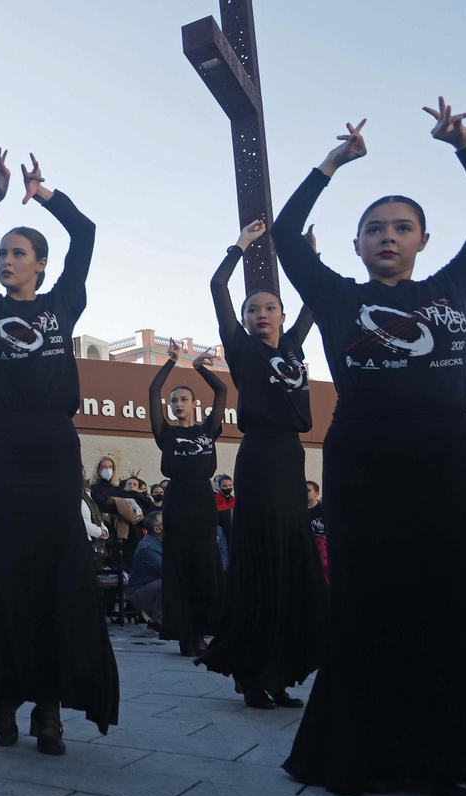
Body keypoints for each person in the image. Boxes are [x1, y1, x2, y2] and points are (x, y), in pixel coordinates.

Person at [276, 101, 466, 796]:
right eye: (374, 229)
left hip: (443, 461)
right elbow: (283, 234)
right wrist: (331, 164)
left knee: (448, 597)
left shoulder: (454, 286)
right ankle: (361, 752)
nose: (387, 237)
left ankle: (442, 755)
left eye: (401, 227)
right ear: (358, 244)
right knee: (365, 598)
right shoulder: (336, 296)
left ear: (424, 239)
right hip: (363, 461)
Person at [0, 148, 119, 756]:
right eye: (3, 253)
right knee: (4, 577)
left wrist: (43, 195)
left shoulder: (61, 305)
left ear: (41, 265)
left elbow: (86, 233)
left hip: (50, 449)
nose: (5, 260)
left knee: (55, 576)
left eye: (18, 252)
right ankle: (5, 698)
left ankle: (49, 708)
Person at [196, 219, 328, 710]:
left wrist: (307, 258)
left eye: (269, 307)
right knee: (263, 561)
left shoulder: (293, 346)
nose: (260, 313)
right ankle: (253, 674)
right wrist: (241, 246)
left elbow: (315, 300)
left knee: (291, 563)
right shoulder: (242, 349)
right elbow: (216, 287)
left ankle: (280, 673)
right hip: (260, 456)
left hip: (292, 458)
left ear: (281, 314)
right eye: (253, 309)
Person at [148, 340, 228, 657]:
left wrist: (198, 367)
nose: (178, 403)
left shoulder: (209, 429)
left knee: (206, 568)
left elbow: (222, 392)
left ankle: (203, 632)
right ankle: (186, 635)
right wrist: (171, 362)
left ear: (194, 404)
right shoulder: (165, 433)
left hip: (204, 504)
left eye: (183, 399)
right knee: (180, 569)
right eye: (174, 400)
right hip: (178, 502)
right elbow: (153, 391)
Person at [127, 511, 165, 621]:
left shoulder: (163, 543)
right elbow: (166, 570)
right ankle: (158, 621)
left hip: (153, 587)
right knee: (169, 581)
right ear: (157, 529)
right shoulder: (147, 547)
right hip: (139, 593)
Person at [307, 480, 329, 579]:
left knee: (324, 563)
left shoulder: (322, 508)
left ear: (317, 493)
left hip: (321, 540)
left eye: (308, 490)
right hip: (309, 541)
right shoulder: (302, 510)